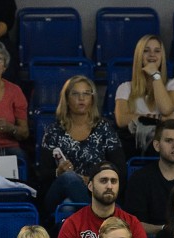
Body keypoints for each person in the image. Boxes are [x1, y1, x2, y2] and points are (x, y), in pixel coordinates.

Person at [39, 76, 125, 218]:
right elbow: (42, 173)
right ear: (66, 99)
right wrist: (58, 172)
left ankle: (94, 219)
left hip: (95, 192)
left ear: (92, 99)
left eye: (86, 93)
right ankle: (104, 218)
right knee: (69, 178)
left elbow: (119, 168)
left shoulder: (104, 129)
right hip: (58, 194)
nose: (81, 98)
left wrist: (92, 180)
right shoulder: (54, 131)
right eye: (75, 94)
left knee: (69, 206)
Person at [53, 162, 152, 238]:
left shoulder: (132, 223)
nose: (109, 186)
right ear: (90, 186)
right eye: (103, 181)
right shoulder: (72, 223)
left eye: (114, 181)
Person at [114, 34, 174, 154]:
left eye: (157, 51)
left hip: (166, 143)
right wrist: (160, 119)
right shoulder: (125, 87)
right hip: (134, 142)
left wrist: (155, 75)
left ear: (162, 56)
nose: (152, 54)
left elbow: (166, 109)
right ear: (139, 56)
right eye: (146, 51)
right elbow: (121, 120)